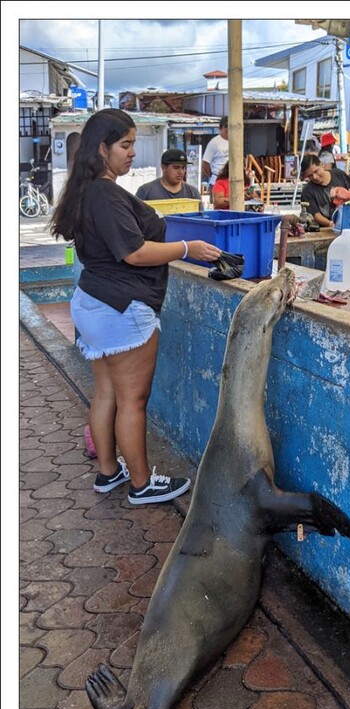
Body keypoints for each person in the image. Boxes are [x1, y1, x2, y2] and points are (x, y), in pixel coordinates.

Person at [50, 109, 222, 505]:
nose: (132, 153)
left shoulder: (89, 190)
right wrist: (186, 248)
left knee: (106, 393)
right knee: (133, 400)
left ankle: (109, 473)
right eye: (125, 145)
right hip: (121, 308)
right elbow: (133, 253)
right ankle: (143, 485)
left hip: (94, 303)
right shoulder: (105, 193)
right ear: (102, 148)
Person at [299, 154, 350, 228]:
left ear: (321, 165)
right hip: (324, 230)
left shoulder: (339, 174)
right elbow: (316, 215)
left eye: (316, 171)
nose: (315, 177)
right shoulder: (307, 191)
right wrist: (331, 224)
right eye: (310, 175)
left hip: (347, 224)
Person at [135, 149, 201, 202]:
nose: (181, 172)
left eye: (183, 168)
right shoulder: (146, 191)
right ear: (164, 168)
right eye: (176, 167)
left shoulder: (193, 193)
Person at [202, 116, 229, 186]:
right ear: (220, 128)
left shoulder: (235, 142)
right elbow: (205, 163)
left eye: (231, 126)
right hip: (217, 180)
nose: (228, 129)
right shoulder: (214, 142)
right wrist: (212, 175)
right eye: (226, 126)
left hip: (231, 180)